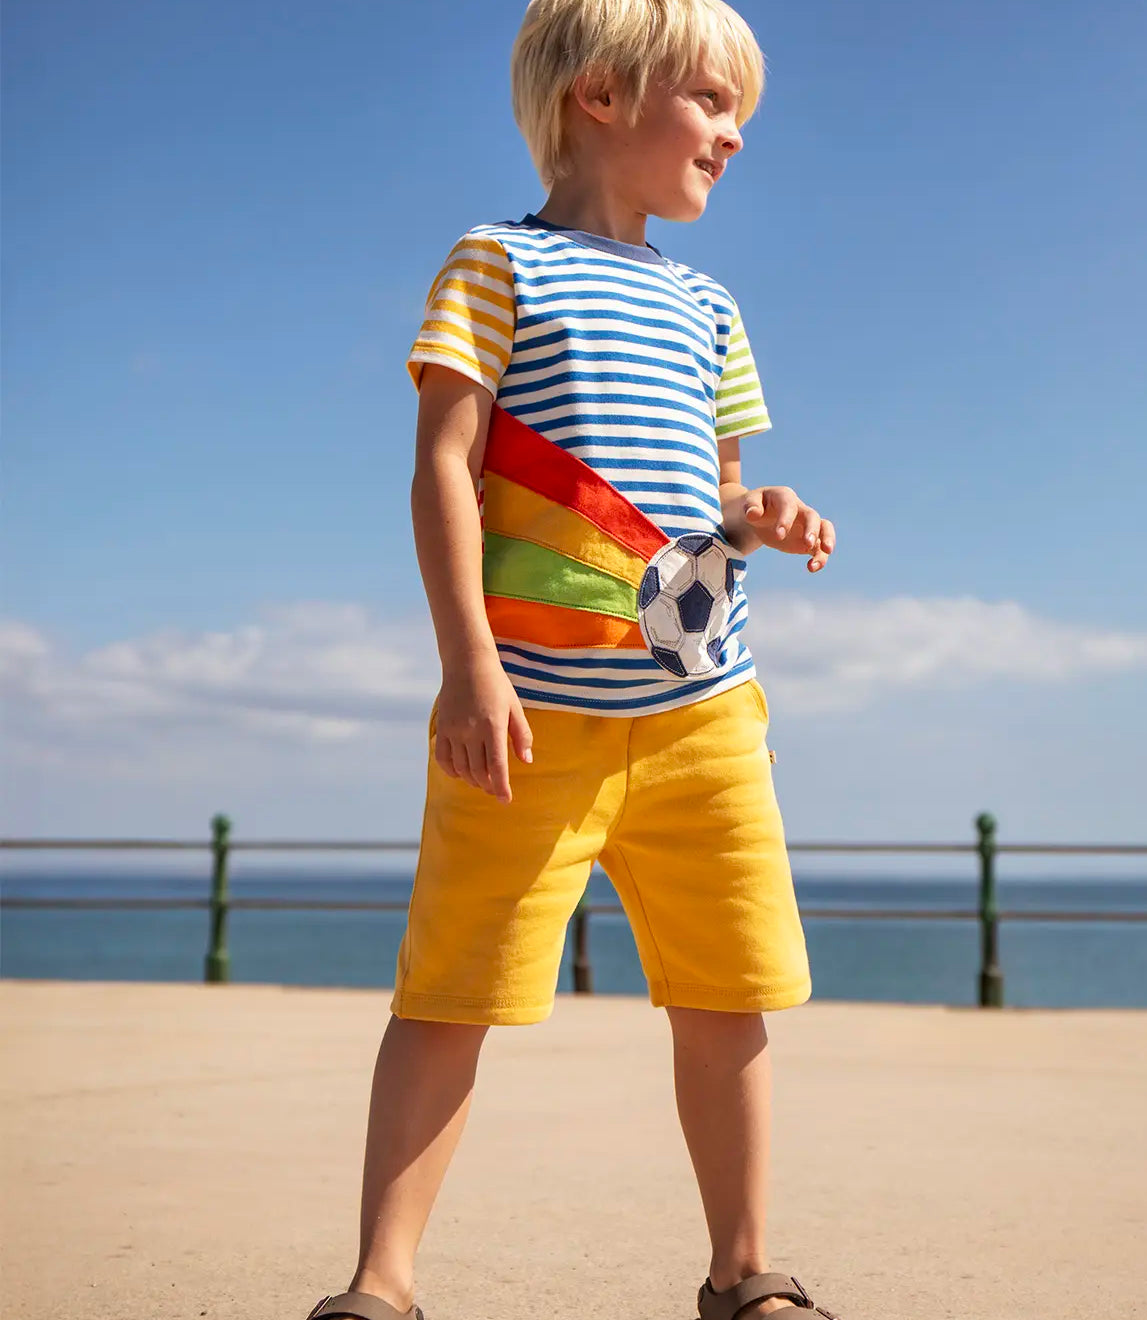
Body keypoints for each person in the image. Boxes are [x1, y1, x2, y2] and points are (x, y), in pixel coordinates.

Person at [306, 1, 840, 1317]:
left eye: (740, 114)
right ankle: (380, 1284)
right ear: (600, 96)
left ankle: (744, 1275)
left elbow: (714, 500)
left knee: (728, 994)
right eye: (711, 101)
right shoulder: (497, 264)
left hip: (705, 714)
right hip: (525, 721)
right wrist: (468, 668)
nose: (734, 134)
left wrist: (760, 517)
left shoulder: (711, 306)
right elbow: (445, 467)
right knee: (451, 996)